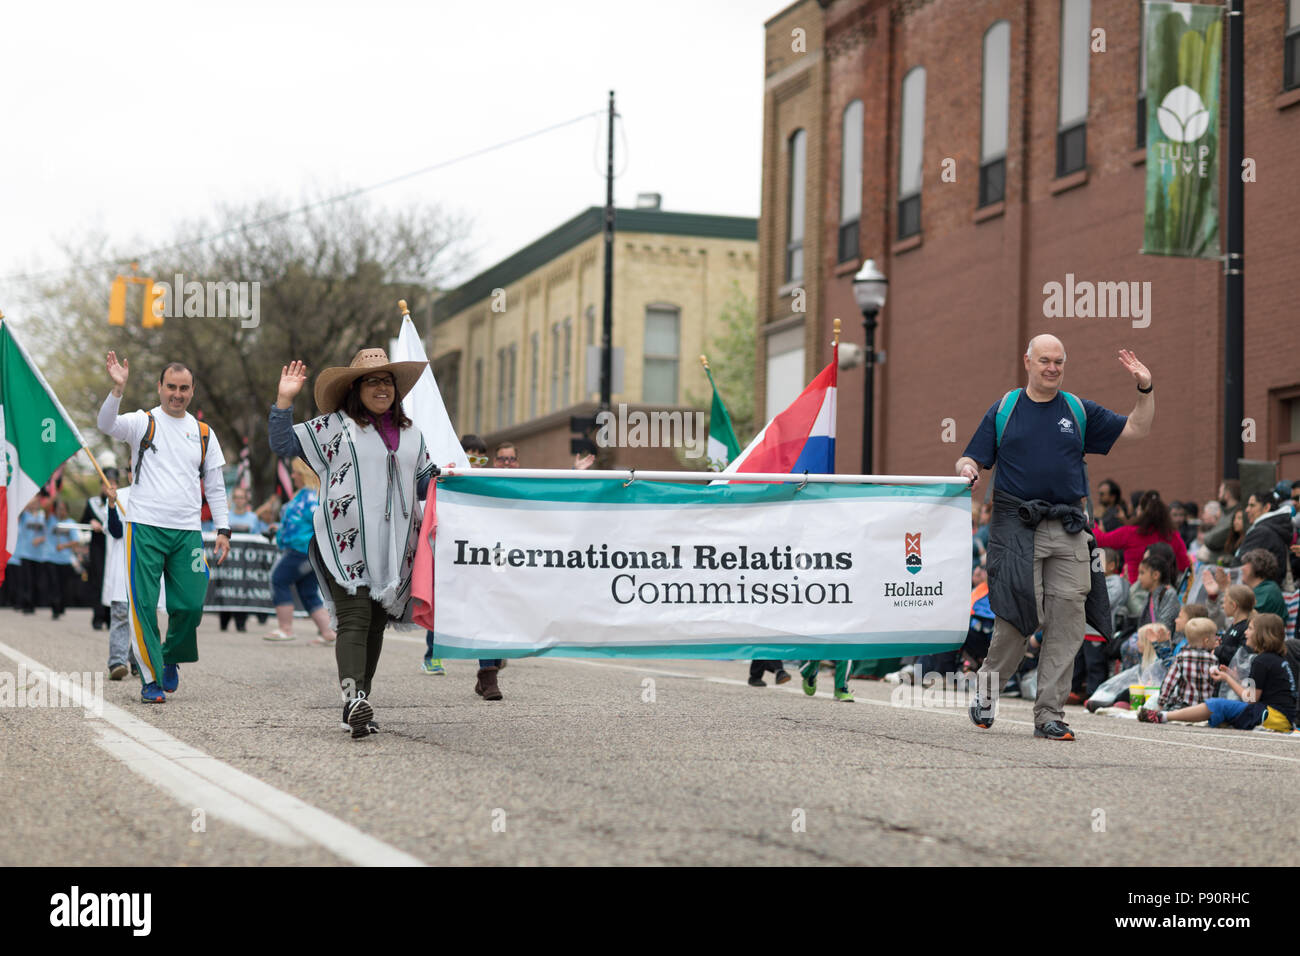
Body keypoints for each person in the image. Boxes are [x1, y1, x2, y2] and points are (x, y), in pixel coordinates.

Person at [957, 336, 1151, 740]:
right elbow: (972, 455)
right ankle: (988, 689)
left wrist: (1144, 388)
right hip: (1016, 526)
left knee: (1066, 621)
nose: (1052, 368)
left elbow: (1136, 429)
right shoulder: (1005, 410)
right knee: (1016, 617)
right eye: (1044, 360)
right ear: (1027, 361)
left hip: (1068, 528)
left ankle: (1049, 713)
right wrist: (968, 469)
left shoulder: (1078, 410)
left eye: (1059, 362)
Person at [269, 353, 435, 738]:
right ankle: (352, 699)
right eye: (371, 381)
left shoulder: (413, 436)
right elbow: (281, 444)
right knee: (356, 617)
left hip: (393, 548)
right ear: (354, 390)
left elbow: (425, 485)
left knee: (377, 622)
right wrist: (284, 401)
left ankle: (358, 703)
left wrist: (460, 481)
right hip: (343, 542)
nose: (382, 388)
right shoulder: (334, 428)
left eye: (387, 381)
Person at [96, 355, 231, 703]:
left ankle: (171, 655)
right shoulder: (143, 422)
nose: (177, 394)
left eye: (184, 388)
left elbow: (215, 487)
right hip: (145, 527)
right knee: (143, 605)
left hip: (187, 532)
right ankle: (151, 679)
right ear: (160, 387)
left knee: (190, 605)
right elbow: (106, 424)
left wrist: (223, 529)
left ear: (192, 390)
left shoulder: (203, 433)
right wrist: (117, 388)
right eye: (171, 387)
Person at [1140, 613, 1297, 732]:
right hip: (1281, 717)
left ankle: (1163, 716)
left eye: (1250, 629)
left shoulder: (1261, 661)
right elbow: (1261, 690)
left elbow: (1250, 699)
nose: (1245, 633)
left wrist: (1227, 679)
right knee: (1223, 709)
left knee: (1217, 704)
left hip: (1273, 717)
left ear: (1262, 634)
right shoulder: (1274, 659)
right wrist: (1233, 676)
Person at [421, 433, 487, 677]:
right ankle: (432, 656)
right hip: (449, 551)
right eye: (471, 458)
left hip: (476, 553)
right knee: (442, 606)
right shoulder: (448, 481)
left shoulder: (484, 484)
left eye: (482, 461)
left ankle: (490, 659)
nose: (475, 464)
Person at [263, 458, 336, 645]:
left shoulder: (310, 498)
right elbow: (297, 523)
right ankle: (328, 632)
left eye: (295, 472)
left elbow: (317, 522)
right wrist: (279, 528)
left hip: (302, 551)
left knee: (278, 579)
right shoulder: (308, 495)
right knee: (308, 591)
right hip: (309, 552)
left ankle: (285, 628)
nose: (292, 475)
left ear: (303, 473)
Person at [1093, 490, 1190, 585]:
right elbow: (1184, 565)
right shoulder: (1173, 536)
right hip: (1163, 590)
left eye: (1138, 509)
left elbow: (1100, 540)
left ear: (1142, 513)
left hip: (1134, 588)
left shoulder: (1130, 533)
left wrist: (1091, 522)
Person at [218, 486, 269, 633]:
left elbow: (257, 538)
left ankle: (241, 624)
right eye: (237, 497)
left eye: (242, 497)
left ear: (246, 500)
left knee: (243, 592)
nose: (239, 500)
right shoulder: (226, 517)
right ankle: (224, 623)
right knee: (226, 591)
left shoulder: (253, 518)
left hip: (246, 565)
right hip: (228, 563)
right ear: (233, 500)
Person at [1150, 617, 1219, 712]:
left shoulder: (1181, 657)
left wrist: (1161, 702)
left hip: (1183, 707)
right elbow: (1215, 684)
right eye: (1215, 636)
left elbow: (1169, 682)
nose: (1217, 639)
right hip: (1205, 708)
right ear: (1206, 641)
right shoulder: (1213, 659)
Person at [80, 468, 117, 630]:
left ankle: (111, 618)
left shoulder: (122, 500)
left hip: (115, 546)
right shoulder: (92, 503)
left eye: (112, 482)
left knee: (113, 580)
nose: (109, 486)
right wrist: (91, 523)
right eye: (105, 483)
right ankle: (98, 616)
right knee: (98, 580)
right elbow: (82, 524)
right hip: (98, 547)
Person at [1230, 490, 1292, 584]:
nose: (1247, 510)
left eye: (1252, 505)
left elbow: (1239, 565)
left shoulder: (1262, 532)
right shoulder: (1272, 528)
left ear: (1266, 507)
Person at [46, 499, 77, 619]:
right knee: (54, 584)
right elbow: (46, 509)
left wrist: (64, 546)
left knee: (63, 585)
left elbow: (75, 542)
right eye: (59, 509)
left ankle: (61, 606)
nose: (61, 511)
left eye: (63, 509)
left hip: (65, 560)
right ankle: (55, 608)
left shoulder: (71, 523)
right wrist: (53, 495)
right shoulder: (51, 520)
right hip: (51, 558)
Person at [1200, 480, 1242, 564]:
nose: (1218, 496)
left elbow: (1211, 540)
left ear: (1227, 494)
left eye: (1220, 492)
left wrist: (1206, 536)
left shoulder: (1236, 515)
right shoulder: (1224, 513)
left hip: (1224, 564)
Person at [1214, 584, 1255, 667]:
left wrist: (1219, 649)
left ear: (1233, 605)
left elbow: (1244, 654)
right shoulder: (1234, 625)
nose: (1223, 606)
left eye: (1224, 602)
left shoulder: (1247, 627)